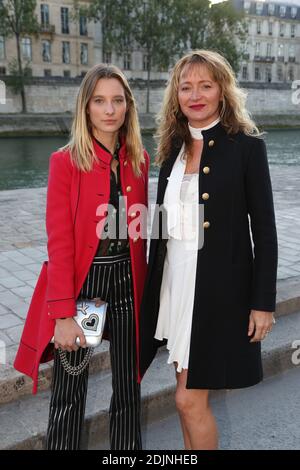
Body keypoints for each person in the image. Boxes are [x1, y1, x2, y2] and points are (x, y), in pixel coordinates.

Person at [139, 50, 278, 450]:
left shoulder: (247, 147)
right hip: (175, 286)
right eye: (186, 87)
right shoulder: (172, 149)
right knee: (186, 401)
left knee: (187, 399)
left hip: (218, 293)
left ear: (222, 91)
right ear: (176, 95)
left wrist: (262, 303)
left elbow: (264, 231)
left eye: (205, 85)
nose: (195, 95)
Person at [14, 63, 149, 450]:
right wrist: (62, 313)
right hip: (84, 287)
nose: (110, 110)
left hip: (126, 283)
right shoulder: (65, 162)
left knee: (128, 389)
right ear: (86, 107)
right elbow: (59, 243)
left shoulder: (139, 160)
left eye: (118, 100)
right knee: (70, 392)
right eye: (99, 101)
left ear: (128, 107)